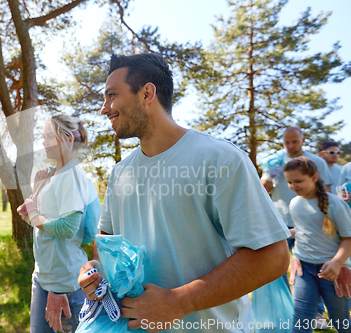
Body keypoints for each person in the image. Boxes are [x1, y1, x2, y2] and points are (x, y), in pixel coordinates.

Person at [78, 53, 290, 333]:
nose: (104, 108)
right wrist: (93, 270)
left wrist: (180, 301)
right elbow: (105, 240)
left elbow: (273, 256)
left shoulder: (221, 159)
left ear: (147, 93)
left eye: (111, 95)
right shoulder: (121, 173)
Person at [18, 114, 100, 333]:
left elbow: (66, 228)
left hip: (63, 283)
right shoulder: (57, 174)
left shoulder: (70, 175)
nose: (43, 143)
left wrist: (59, 288)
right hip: (44, 277)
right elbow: (39, 221)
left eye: (48, 137)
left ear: (66, 139)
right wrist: (36, 191)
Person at [283, 157, 351, 333]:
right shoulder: (294, 203)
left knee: (340, 320)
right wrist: (295, 254)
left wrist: (337, 262)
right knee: (300, 319)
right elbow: (303, 231)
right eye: (289, 182)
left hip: (334, 271)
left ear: (314, 177)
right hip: (304, 269)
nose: (293, 186)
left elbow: (348, 238)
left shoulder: (335, 204)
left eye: (298, 181)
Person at [261, 127, 332, 249]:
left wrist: (325, 215)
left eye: (295, 141)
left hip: (309, 219)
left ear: (303, 140)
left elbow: (326, 190)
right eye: (287, 142)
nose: (290, 145)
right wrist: (269, 176)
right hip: (281, 219)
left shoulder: (316, 161)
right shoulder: (275, 162)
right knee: (278, 264)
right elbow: (262, 190)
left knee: (309, 262)